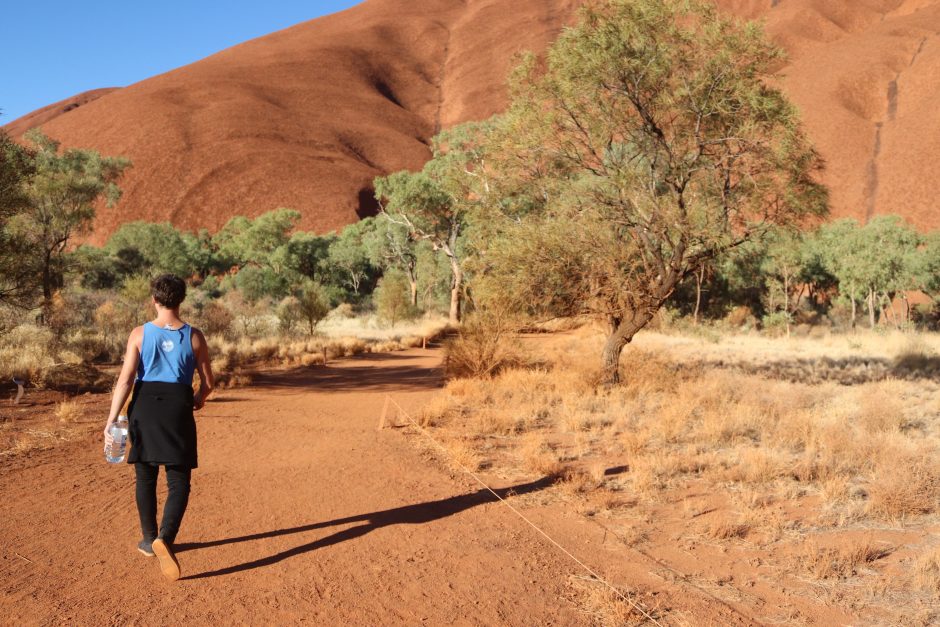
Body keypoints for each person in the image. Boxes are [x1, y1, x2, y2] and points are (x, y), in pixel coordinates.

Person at [103, 274, 214, 581]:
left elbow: (125, 380)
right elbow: (208, 384)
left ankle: (150, 539)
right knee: (179, 481)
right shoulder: (194, 336)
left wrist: (112, 418)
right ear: (181, 300)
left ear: (154, 299)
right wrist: (196, 401)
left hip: (145, 407)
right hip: (178, 406)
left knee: (146, 476)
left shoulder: (139, 334)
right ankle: (166, 536)